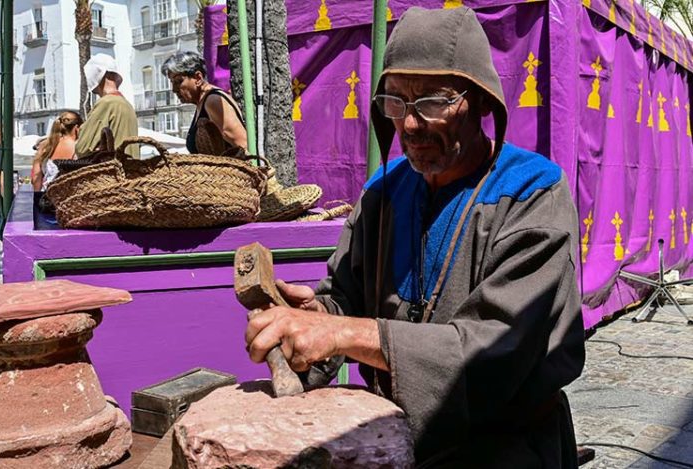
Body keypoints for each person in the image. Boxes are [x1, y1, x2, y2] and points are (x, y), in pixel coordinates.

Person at [244, 7, 585, 467]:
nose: (408, 124)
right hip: (395, 440)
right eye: (396, 102)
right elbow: (346, 299)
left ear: (482, 101)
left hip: (507, 448)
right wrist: (316, 316)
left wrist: (343, 332)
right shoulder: (382, 195)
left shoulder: (533, 192)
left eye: (431, 102)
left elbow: (498, 346)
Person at [161, 51, 247, 155]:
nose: (174, 89)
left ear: (198, 78)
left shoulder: (213, 101)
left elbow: (243, 145)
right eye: (172, 83)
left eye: (179, 81)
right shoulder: (202, 103)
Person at [76, 53, 139, 158]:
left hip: (112, 171)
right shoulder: (126, 104)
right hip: (131, 170)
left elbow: (82, 148)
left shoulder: (106, 103)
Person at [31, 111, 83, 192]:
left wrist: (37, 198)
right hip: (71, 198)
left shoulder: (45, 146)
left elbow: (35, 179)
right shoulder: (79, 147)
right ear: (77, 128)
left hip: (47, 197)